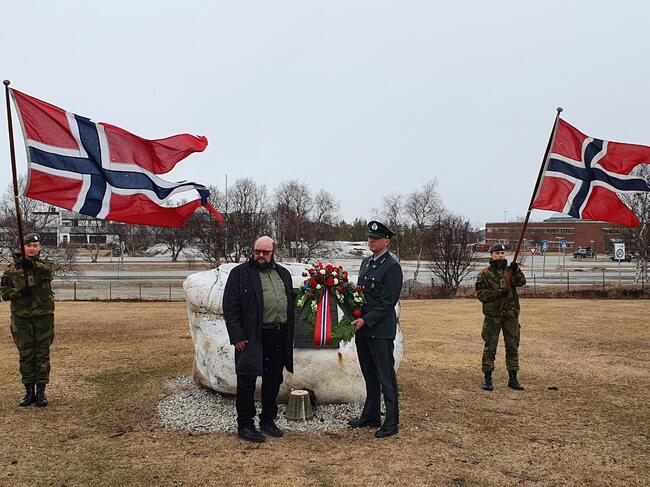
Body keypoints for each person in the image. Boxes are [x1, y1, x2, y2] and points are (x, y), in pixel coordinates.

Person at [223, 236, 295, 443]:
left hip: (278, 334)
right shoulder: (240, 274)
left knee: (273, 380)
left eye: (265, 252)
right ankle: (245, 424)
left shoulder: (284, 274)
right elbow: (230, 306)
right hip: (252, 336)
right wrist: (236, 336)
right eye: (257, 251)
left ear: (273, 253)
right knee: (247, 381)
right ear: (253, 251)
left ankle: (268, 421)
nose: (261, 256)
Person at [349, 221, 403, 438]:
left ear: (386, 241)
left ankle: (391, 422)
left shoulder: (392, 267)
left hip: (380, 331)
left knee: (385, 377)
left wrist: (366, 320)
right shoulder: (366, 263)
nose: (371, 241)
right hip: (363, 330)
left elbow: (388, 302)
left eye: (376, 238)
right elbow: (361, 295)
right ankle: (371, 416)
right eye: (369, 238)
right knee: (369, 375)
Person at [0, 233, 55, 407]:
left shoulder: (45, 265)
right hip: (21, 318)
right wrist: (18, 293)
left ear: (39, 247)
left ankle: (41, 392)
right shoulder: (11, 268)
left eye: (35, 245)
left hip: (43, 317)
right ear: (23, 246)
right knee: (26, 355)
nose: (32, 248)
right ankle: (29, 391)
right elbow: (4, 292)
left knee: (42, 354)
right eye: (29, 245)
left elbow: (49, 273)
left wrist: (32, 265)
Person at [475, 243, 526, 391]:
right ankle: (488, 379)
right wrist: (498, 294)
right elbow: (480, 294)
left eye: (503, 253)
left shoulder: (510, 271)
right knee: (490, 346)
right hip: (493, 315)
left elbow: (521, 282)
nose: (500, 255)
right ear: (491, 255)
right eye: (497, 253)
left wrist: (516, 271)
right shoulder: (485, 273)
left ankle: (513, 378)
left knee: (512, 346)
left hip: (510, 315)